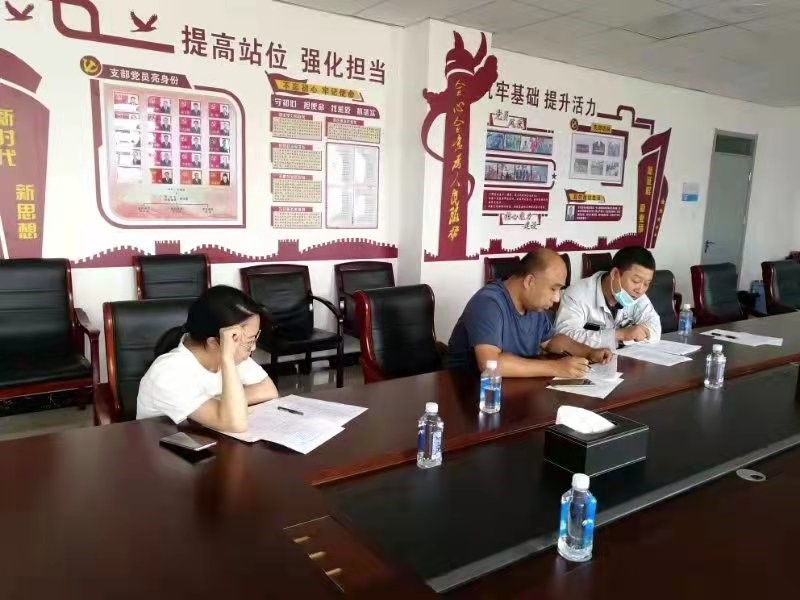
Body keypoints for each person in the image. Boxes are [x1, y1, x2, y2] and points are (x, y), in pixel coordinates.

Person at [448, 249, 612, 377]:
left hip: (512, 390)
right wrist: (556, 367)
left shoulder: (534, 306)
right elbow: (490, 363)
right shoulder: (488, 303)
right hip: (468, 391)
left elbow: (551, 341)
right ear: (529, 281)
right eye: (553, 289)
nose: (557, 298)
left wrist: (589, 352)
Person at [137, 285, 278, 432]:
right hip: (160, 445)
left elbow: (268, 390)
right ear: (213, 343)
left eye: (255, 338)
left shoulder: (235, 355)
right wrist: (227, 359)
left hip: (204, 440)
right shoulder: (168, 373)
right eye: (249, 341)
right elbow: (235, 424)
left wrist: (221, 403)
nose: (253, 347)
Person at [554, 246, 661, 348]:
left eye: (646, 284)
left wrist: (639, 332)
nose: (640, 290)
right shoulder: (577, 294)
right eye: (635, 281)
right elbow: (564, 336)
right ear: (614, 274)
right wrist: (620, 335)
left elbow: (655, 329)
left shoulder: (637, 296)